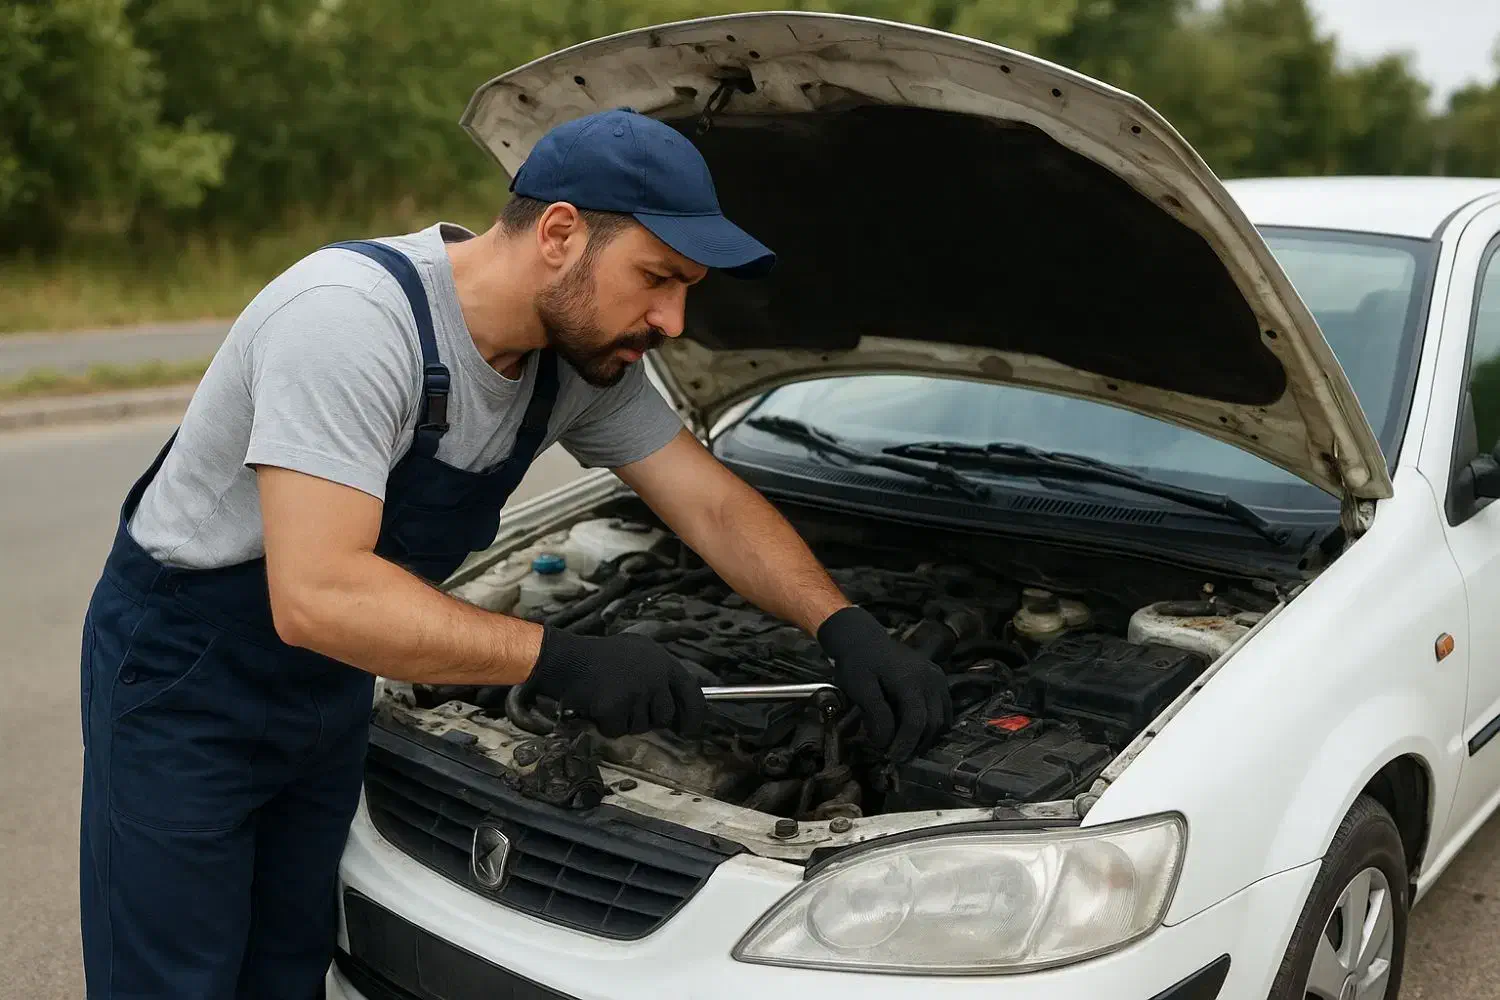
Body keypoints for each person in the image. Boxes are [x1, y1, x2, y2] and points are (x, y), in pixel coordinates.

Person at [77, 108, 953, 998]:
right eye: (657, 278)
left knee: (288, 964)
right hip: (189, 676)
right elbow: (319, 596)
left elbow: (714, 506)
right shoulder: (349, 321)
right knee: (172, 978)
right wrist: (558, 657)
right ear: (561, 232)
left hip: (330, 684)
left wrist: (839, 621)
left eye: (686, 287)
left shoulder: (576, 363)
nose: (674, 318)